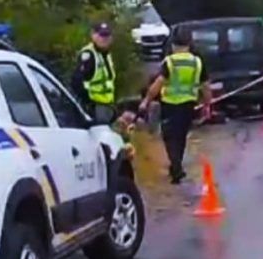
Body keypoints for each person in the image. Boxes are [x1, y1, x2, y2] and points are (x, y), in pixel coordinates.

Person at [137, 29, 212, 185]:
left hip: (170, 105)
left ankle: (176, 168)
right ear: (189, 45)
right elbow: (206, 87)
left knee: (169, 137)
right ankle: (176, 166)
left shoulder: (169, 62)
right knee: (181, 136)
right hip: (188, 105)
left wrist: (147, 100)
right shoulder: (197, 62)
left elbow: (157, 84)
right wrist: (207, 105)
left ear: (173, 45)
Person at [71, 22, 119, 124]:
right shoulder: (88, 55)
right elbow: (76, 82)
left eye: (107, 35)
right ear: (93, 36)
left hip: (107, 105)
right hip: (95, 107)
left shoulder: (105, 54)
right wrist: (88, 104)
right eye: (101, 35)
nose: (104, 39)